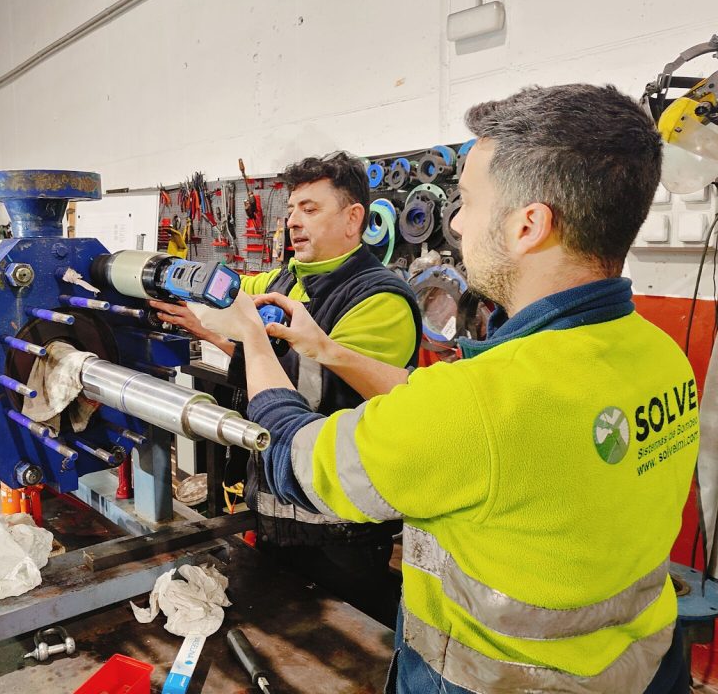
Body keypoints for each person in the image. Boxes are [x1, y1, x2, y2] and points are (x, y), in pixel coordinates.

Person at [191, 85, 697, 693]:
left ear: (528, 225)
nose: (455, 222)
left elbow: (295, 460)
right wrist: (323, 348)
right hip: (643, 669)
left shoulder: (479, 400)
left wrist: (250, 338)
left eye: (470, 203)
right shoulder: (659, 355)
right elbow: (437, 399)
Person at [150, 151, 422, 627]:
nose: (293, 222)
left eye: (311, 209)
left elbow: (304, 394)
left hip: (340, 527)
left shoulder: (380, 298)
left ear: (354, 218)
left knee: (349, 645)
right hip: (277, 511)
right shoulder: (285, 279)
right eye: (292, 208)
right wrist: (168, 281)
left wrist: (219, 334)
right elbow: (229, 292)